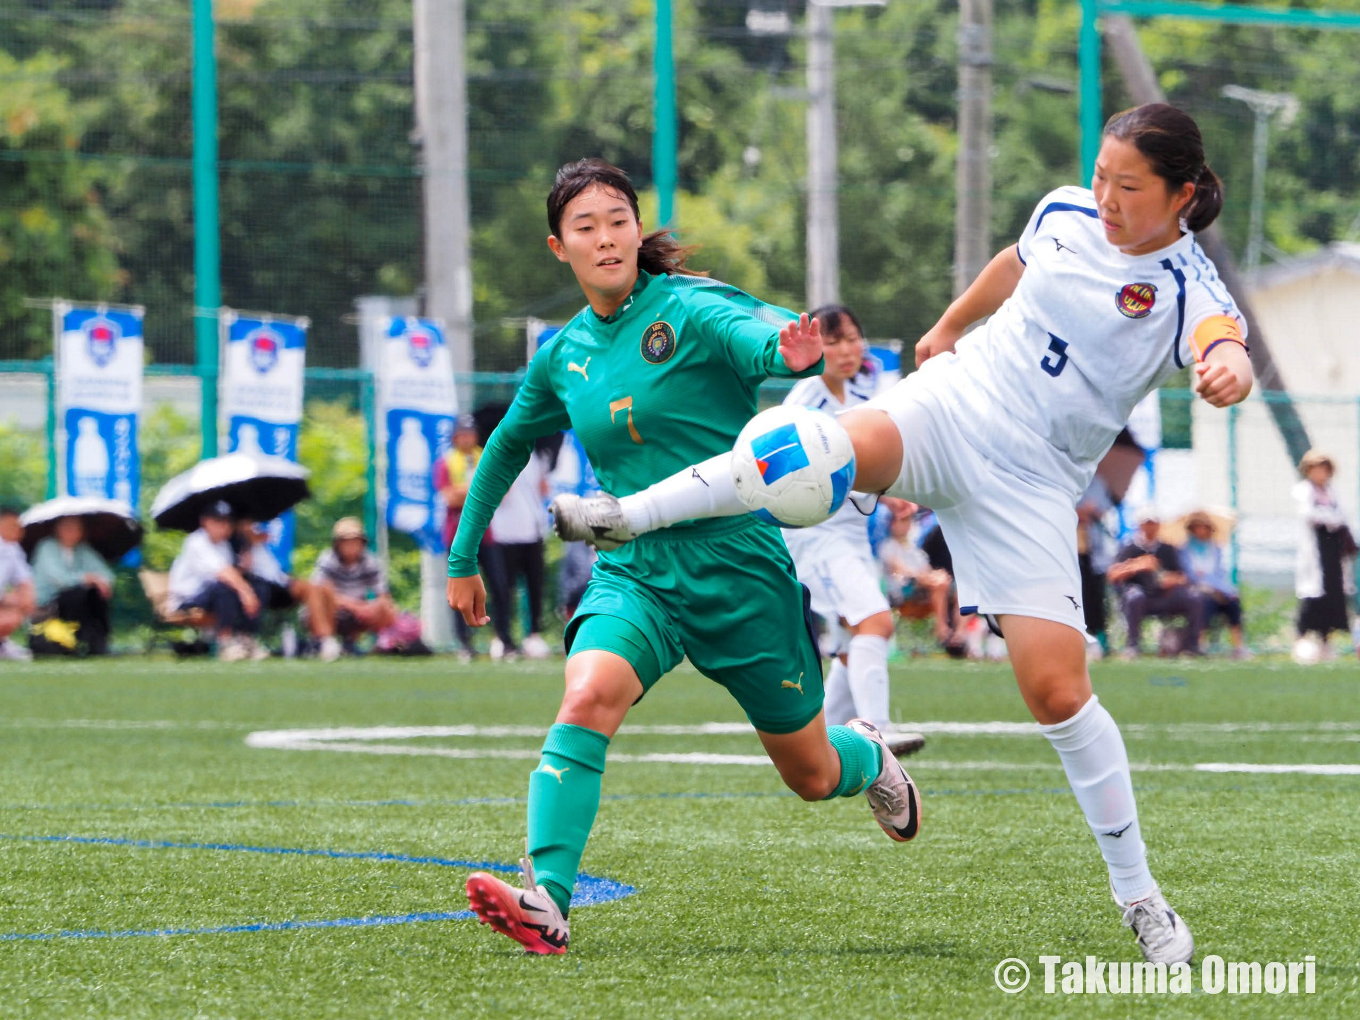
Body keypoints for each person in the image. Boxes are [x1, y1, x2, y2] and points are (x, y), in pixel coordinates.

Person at [560, 104, 1254, 964]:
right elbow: (1015, 260)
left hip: (1032, 484)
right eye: (1102, 176)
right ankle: (629, 515)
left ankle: (1141, 898)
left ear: (1182, 195)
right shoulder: (1067, 210)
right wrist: (952, 326)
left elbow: (1225, 341)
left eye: (1130, 187)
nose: (1105, 197)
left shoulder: (1190, 286)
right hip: (953, 407)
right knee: (799, 447)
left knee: (1058, 694)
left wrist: (1228, 366)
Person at [448, 158, 921, 955]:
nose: (605, 238)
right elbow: (504, 448)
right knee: (587, 693)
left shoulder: (691, 307)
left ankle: (866, 753)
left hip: (739, 571)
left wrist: (789, 350)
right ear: (558, 246)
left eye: (617, 221)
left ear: (638, 230)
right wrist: (463, 557)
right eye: (585, 227)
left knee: (809, 773)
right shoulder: (563, 355)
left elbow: (761, 336)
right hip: (636, 572)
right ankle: (548, 902)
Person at [779, 304, 899, 732]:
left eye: (851, 338)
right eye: (832, 342)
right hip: (815, 532)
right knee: (875, 622)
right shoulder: (804, 401)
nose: (845, 350)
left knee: (853, 645)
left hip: (853, 531)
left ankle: (822, 748)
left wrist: (893, 494)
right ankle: (879, 735)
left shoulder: (867, 395)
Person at [167, 500, 267, 662]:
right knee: (225, 588)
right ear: (205, 521)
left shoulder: (224, 546)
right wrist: (246, 592)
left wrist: (245, 562)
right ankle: (225, 642)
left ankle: (246, 639)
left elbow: (233, 573)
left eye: (228, 522)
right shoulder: (196, 542)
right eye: (219, 521)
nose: (224, 526)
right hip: (187, 599)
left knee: (259, 586)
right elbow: (223, 573)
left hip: (210, 595)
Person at [1108, 507, 1205, 658]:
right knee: (1135, 597)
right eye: (1147, 523)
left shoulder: (1167, 549)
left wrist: (1170, 580)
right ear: (1140, 525)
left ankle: (1192, 646)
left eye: (1153, 523)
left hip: (1165, 596)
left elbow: (1182, 576)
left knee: (1194, 598)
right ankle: (1133, 646)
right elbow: (1113, 575)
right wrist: (1138, 566)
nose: (1151, 527)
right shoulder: (1129, 548)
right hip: (1142, 598)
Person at [484, 450, 552, 660]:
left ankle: (533, 635)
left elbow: (544, 489)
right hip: (505, 532)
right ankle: (501, 637)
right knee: (504, 589)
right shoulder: (499, 455)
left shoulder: (538, 457)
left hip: (533, 531)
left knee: (535, 586)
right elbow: (497, 493)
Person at [234, 519, 335, 660]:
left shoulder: (259, 540)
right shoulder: (234, 543)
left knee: (315, 588)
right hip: (257, 586)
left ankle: (323, 640)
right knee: (259, 590)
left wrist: (253, 537)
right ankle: (246, 641)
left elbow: (274, 572)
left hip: (277, 582)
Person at [1292, 450, 1355, 658]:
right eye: (1316, 469)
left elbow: (1344, 515)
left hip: (1334, 551)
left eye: (1324, 469)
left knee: (1333, 595)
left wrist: (1334, 520)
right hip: (1316, 550)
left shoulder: (1333, 492)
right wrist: (1330, 519)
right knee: (1312, 597)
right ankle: (1300, 640)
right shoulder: (1303, 491)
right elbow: (1309, 514)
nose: (1320, 473)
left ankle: (1325, 641)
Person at [308, 517, 396, 654]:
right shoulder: (327, 559)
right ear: (338, 543)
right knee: (322, 596)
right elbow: (318, 592)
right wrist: (355, 606)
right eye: (346, 541)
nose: (352, 545)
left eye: (355, 541)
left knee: (387, 609)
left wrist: (374, 606)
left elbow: (383, 595)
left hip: (359, 611)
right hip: (332, 609)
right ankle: (326, 642)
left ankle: (381, 645)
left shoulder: (370, 562)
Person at [877, 500, 957, 648]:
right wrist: (929, 578)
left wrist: (933, 576)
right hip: (903, 594)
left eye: (907, 521)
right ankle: (942, 631)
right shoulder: (888, 547)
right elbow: (901, 572)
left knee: (952, 586)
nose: (904, 525)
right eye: (901, 521)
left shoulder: (913, 549)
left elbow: (925, 570)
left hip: (924, 591)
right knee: (940, 583)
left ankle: (958, 636)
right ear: (892, 524)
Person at [435, 414, 483, 658]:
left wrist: (464, 491)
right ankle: (464, 643)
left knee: (498, 584)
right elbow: (449, 497)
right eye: (462, 433)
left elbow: (499, 493)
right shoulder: (447, 461)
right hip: (457, 535)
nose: (466, 438)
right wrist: (475, 490)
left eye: (470, 432)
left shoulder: (484, 456)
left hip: (487, 534)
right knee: (459, 587)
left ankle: (503, 639)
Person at [30, 516, 113, 655]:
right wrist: (87, 578)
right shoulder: (47, 547)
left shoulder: (83, 550)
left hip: (78, 599)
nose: (72, 532)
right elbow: (59, 579)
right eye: (67, 528)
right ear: (58, 530)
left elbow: (106, 573)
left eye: (76, 529)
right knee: (79, 595)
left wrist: (102, 582)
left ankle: (98, 644)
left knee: (96, 596)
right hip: (50, 601)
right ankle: (78, 641)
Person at [1179, 510, 1247, 657]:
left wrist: (1227, 591)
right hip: (1197, 590)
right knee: (1205, 603)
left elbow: (1220, 574)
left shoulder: (1215, 549)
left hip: (1217, 589)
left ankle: (1239, 646)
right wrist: (1206, 588)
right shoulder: (1184, 550)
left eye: (1204, 527)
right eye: (1198, 527)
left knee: (1233, 603)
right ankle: (1199, 643)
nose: (1201, 530)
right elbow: (1186, 575)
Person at [0, 506, 34, 661]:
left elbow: (25, 580)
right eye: (11, 526)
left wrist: (26, 598)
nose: (17, 531)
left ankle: (2, 644)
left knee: (18, 607)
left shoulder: (13, 549)